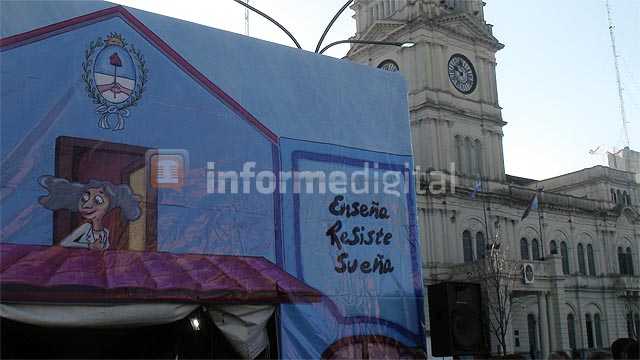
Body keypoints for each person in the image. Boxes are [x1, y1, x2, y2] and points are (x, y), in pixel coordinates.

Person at [38, 176, 142, 250]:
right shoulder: (85, 228)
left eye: (98, 201)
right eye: (85, 198)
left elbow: (105, 247)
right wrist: (89, 246)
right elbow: (65, 243)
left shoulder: (105, 232)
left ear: (108, 206)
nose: (87, 205)